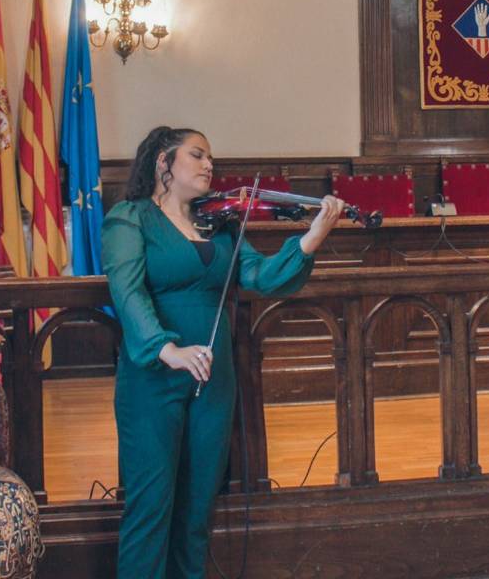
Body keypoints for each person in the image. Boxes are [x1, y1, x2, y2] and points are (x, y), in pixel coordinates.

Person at [101, 126, 345, 578]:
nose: (209, 165)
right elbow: (127, 292)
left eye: (210, 157)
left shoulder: (220, 223)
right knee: (151, 508)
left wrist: (313, 236)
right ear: (163, 162)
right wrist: (166, 348)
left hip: (214, 377)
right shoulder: (129, 218)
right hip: (154, 377)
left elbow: (260, 276)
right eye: (197, 155)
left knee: (196, 511)